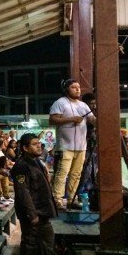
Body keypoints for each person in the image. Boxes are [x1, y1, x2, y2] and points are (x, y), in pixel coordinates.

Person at [11, 133, 57, 255]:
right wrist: (32, 214)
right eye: (34, 144)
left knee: (47, 239)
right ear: (25, 148)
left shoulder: (36, 161)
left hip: (43, 209)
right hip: (33, 212)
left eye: (39, 143)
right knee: (30, 242)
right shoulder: (21, 166)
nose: (39, 146)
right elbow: (23, 192)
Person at [49, 79, 96, 210]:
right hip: (65, 146)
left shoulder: (83, 105)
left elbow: (92, 119)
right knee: (62, 173)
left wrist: (99, 120)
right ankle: (57, 200)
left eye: (78, 87)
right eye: (73, 87)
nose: (77, 89)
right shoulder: (60, 103)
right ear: (66, 89)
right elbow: (52, 120)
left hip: (81, 146)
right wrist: (71, 119)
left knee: (76, 174)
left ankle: (72, 199)